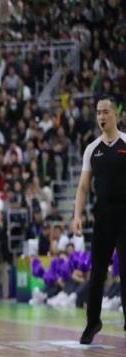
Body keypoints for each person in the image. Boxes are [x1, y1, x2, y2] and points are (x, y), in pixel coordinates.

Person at [72, 95, 126, 344]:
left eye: (105, 112)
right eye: (98, 112)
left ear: (115, 114)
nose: (101, 116)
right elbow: (83, 187)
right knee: (97, 274)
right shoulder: (91, 149)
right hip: (103, 218)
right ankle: (93, 322)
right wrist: (77, 216)